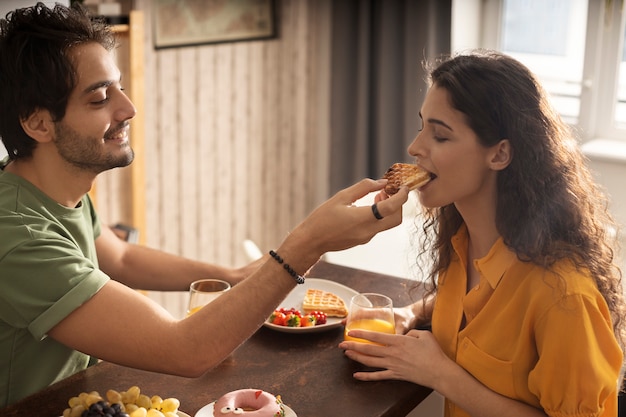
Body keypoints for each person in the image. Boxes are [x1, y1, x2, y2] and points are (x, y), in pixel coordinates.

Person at [0, 2, 410, 407]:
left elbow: (119, 256)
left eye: (119, 87)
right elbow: (185, 350)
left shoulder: (51, 188)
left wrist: (230, 275)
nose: (128, 108)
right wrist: (308, 243)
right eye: (98, 98)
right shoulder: (17, 234)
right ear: (37, 123)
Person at [339, 49, 626, 417]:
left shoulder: (564, 297)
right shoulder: (464, 244)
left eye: (440, 136)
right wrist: (409, 313)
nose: (414, 148)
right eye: (421, 126)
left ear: (499, 154)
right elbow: (472, 300)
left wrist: (441, 375)